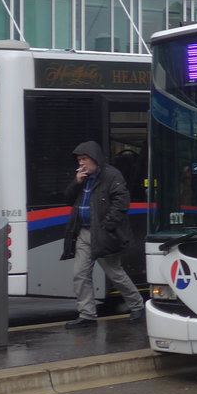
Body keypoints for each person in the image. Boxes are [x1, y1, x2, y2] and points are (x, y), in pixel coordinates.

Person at [59, 140, 145, 328]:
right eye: (79, 160)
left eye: (84, 159)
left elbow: (121, 203)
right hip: (84, 232)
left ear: (94, 158)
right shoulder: (82, 177)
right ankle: (87, 315)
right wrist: (77, 182)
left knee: (114, 273)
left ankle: (138, 306)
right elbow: (67, 199)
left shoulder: (112, 175)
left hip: (104, 234)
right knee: (80, 274)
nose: (80, 163)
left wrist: (106, 226)